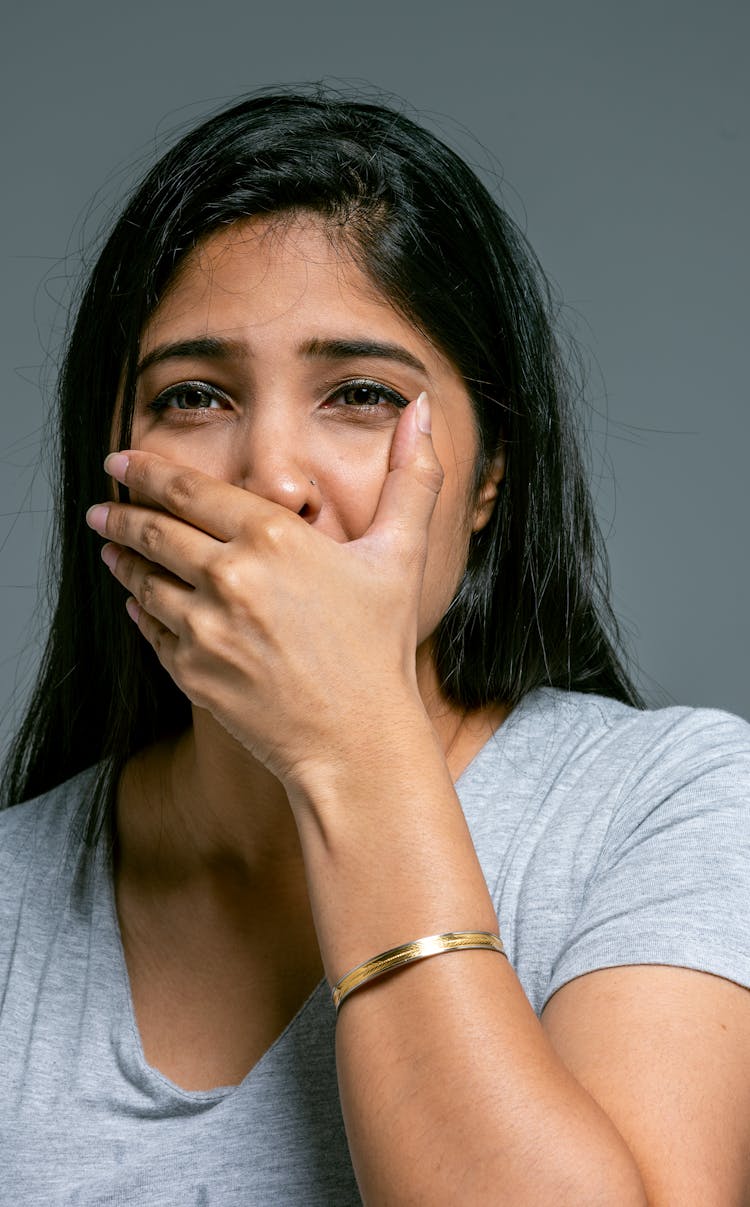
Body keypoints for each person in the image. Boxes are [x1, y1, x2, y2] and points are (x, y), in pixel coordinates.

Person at [1, 87, 749, 1206]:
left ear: (490, 474)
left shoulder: (669, 805)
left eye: (358, 395)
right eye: (194, 396)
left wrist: (350, 743)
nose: (273, 480)